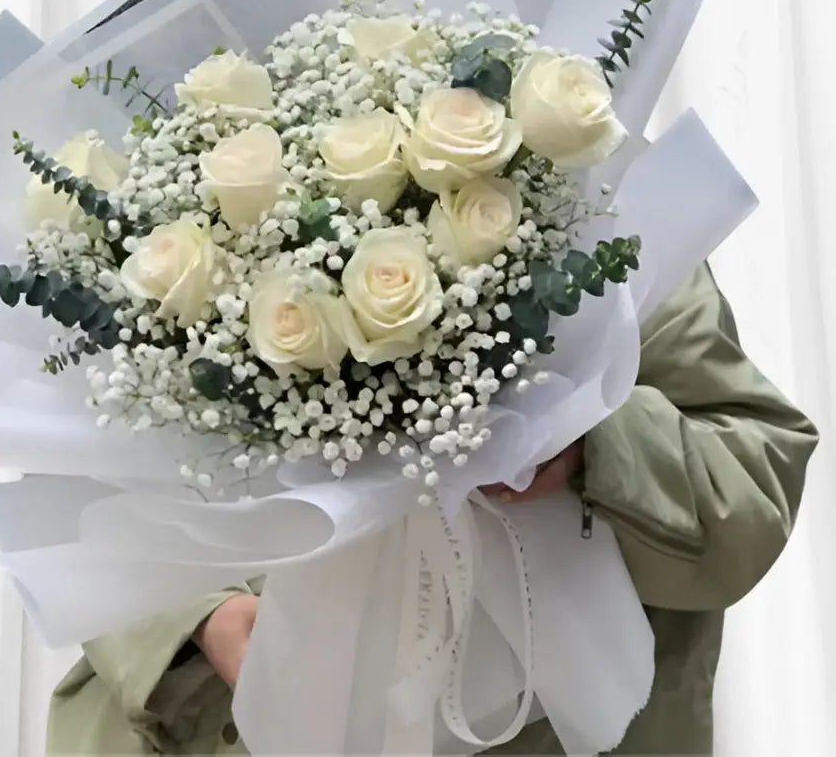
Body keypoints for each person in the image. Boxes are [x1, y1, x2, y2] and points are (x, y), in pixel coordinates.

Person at [45, 266, 818, 755]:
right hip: (213, 726)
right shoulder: (156, 235)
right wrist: (199, 621)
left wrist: (592, 440)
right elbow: (69, 471)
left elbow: (750, 491)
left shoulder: (608, 225)